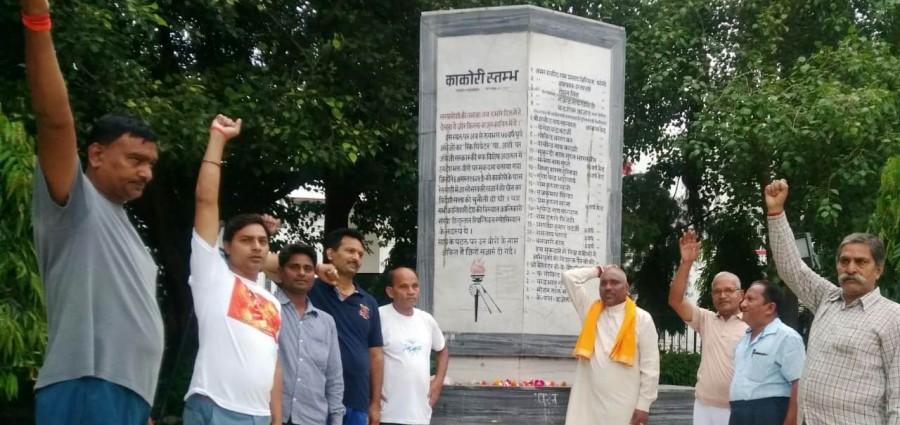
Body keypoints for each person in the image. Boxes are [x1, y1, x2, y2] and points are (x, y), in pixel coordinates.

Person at [23, 1, 163, 423]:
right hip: (87, 385)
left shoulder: (125, 227)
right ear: (97, 155)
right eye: (135, 159)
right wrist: (36, 19)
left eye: (151, 164)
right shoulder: (76, 203)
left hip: (128, 396)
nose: (146, 173)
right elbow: (54, 120)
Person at [765, 179, 900, 424]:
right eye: (844, 261)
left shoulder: (893, 317)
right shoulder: (827, 299)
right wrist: (776, 213)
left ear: (879, 270)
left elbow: (898, 394)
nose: (851, 268)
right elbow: (791, 268)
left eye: (861, 262)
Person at [183, 115, 282, 425]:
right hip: (215, 408)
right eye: (246, 240)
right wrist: (218, 138)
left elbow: (273, 363)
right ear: (226, 245)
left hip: (260, 416)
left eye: (262, 241)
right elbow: (206, 202)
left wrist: (276, 418)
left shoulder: (273, 301)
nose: (256, 247)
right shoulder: (212, 275)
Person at [561, 265, 660, 425]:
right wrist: (598, 271)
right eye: (603, 283)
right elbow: (569, 277)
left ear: (626, 288)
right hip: (588, 406)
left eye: (614, 282)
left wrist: (644, 404)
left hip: (623, 406)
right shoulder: (589, 311)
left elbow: (650, 367)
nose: (608, 287)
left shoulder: (642, 319)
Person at [668, 230, 748, 425]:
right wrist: (686, 263)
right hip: (704, 406)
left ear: (741, 294)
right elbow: (675, 301)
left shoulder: (753, 325)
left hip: (737, 408)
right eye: (717, 292)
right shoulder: (706, 320)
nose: (722, 296)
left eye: (729, 290)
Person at [308, 228, 384, 425]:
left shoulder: (368, 302)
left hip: (356, 399)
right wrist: (316, 268)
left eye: (360, 254)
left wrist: (374, 403)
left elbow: (375, 354)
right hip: (314, 397)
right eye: (350, 251)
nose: (356, 258)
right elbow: (270, 263)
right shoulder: (309, 289)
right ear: (330, 253)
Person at [276, 243, 345, 425]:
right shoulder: (269, 309)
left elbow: (334, 376)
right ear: (280, 272)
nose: (301, 273)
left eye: (308, 269)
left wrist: (337, 419)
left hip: (312, 417)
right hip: (273, 415)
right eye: (294, 267)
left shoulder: (326, 322)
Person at [379, 267, 449, 425]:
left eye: (415, 286)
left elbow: (442, 350)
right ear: (390, 292)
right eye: (404, 287)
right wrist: (370, 388)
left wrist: (438, 381)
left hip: (420, 413)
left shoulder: (426, 320)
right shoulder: (378, 317)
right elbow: (364, 354)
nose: (411, 291)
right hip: (387, 412)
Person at [729, 281, 804, 425]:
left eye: (750, 299)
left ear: (770, 308)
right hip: (739, 413)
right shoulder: (743, 341)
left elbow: (799, 383)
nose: (743, 304)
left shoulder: (786, 337)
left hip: (769, 413)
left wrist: (791, 421)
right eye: (744, 299)